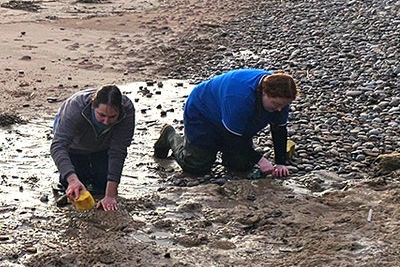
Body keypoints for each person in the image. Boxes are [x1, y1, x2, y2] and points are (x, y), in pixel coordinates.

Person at [155, 69, 297, 179]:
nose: (279, 109)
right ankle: (169, 135)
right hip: (203, 112)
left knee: (241, 165)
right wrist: (260, 159)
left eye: (283, 106)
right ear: (264, 92)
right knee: (196, 166)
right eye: (276, 104)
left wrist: (280, 163)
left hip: (231, 119)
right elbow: (233, 138)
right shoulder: (240, 98)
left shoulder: (280, 100)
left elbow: (279, 129)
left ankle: (225, 152)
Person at [50, 85, 135, 211]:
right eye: (102, 115)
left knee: (102, 185)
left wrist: (110, 195)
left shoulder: (127, 110)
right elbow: (58, 146)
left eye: (112, 117)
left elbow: (118, 151)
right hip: (74, 146)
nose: (106, 121)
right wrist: (72, 180)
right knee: (75, 185)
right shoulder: (76, 108)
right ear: (93, 105)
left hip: (102, 145)